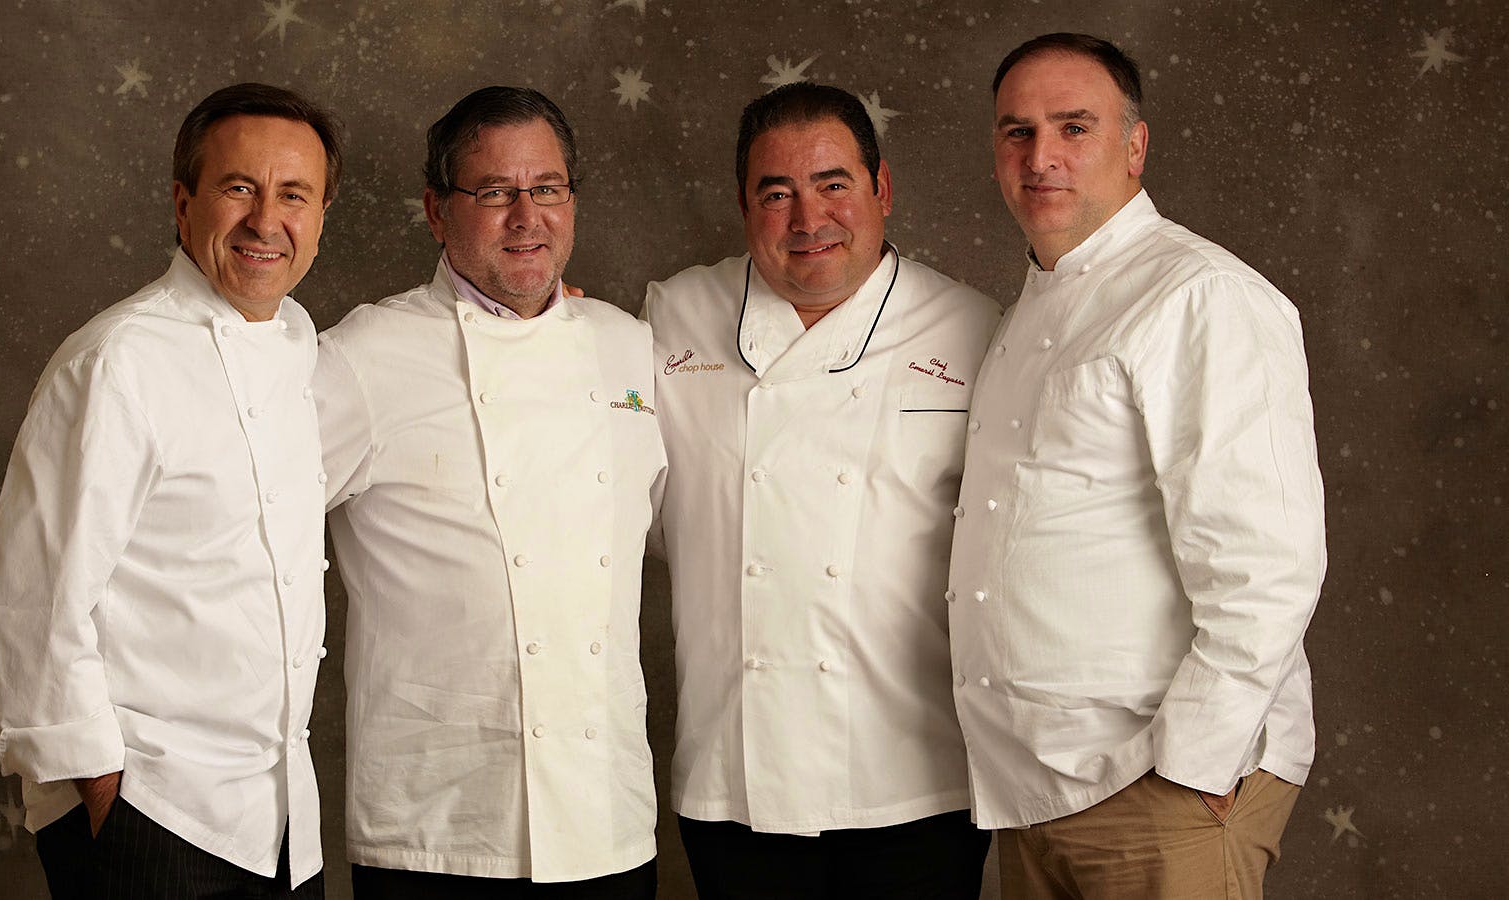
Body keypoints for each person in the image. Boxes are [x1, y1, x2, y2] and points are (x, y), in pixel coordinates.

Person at [947, 33, 1327, 899]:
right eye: (1017, 132)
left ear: (1135, 144)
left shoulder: (1198, 296)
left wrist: (1191, 768)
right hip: (1036, 789)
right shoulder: (1029, 308)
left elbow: (1269, 568)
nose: (1041, 156)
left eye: (1073, 126)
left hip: (1159, 790)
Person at [0, 82, 342, 899]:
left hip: (280, 819)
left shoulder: (297, 346)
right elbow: (32, 608)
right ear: (184, 203)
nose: (265, 221)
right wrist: (106, 798)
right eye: (238, 188)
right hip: (152, 813)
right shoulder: (118, 362)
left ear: (319, 218)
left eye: (294, 195)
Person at [644, 83, 1002, 898]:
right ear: (743, 205)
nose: (808, 219)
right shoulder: (674, 315)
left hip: (918, 779)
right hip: (734, 774)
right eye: (777, 193)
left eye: (833, 184)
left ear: (881, 189)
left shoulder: (974, 331)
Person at [313, 86, 665, 899]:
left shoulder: (627, 346)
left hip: (606, 819)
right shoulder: (365, 356)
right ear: (437, 212)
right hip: (437, 831)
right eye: (495, 193)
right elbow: (249, 530)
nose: (526, 217)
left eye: (546, 189)